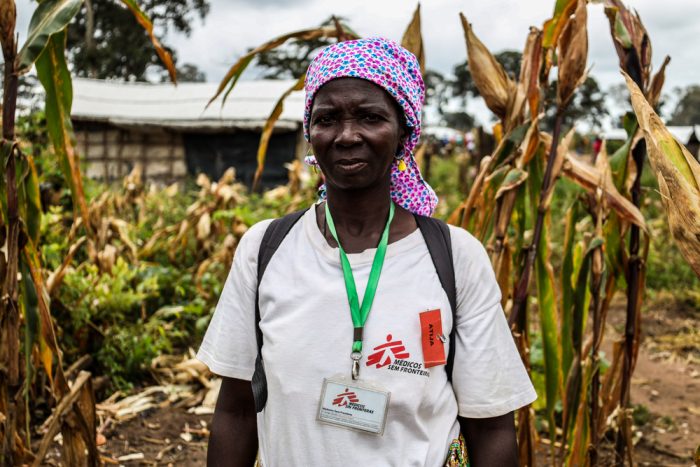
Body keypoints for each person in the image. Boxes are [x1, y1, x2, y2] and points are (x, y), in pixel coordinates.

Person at [197, 38, 536, 467]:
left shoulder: (454, 257)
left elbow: (491, 427)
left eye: (370, 117)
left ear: (403, 133)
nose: (346, 136)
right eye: (327, 119)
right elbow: (237, 411)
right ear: (309, 133)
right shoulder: (266, 249)